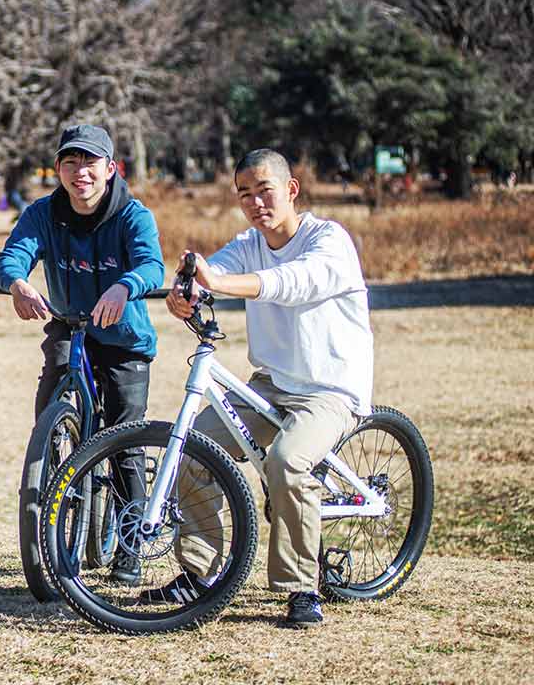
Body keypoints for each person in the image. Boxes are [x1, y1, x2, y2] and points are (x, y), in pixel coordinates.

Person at [151, 147, 372, 629]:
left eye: (264, 190)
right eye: (244, 194)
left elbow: (290, 283)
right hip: (270, 384)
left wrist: (223, 284)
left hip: (329, 390)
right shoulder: (250, 242)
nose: (255, 202)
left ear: (291, 190)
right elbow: (220, 272)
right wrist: (187, 289)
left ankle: (301, 588)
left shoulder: (328, 240)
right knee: (192, 451)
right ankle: (199, 574)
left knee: (287, 461)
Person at [0, 124, 165, 581]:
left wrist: (126, 286)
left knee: (124, 440)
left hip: (124, 340)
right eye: (70, 162)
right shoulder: (45, 213)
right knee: (48, 422)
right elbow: (10, 256)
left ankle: (129, 547)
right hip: (70, 329)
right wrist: (18, 282)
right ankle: (54, 483)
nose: (79, 172)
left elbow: (151, 264)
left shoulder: (132, 214)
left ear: (110, 168)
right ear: (59, 170)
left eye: (89, 162)